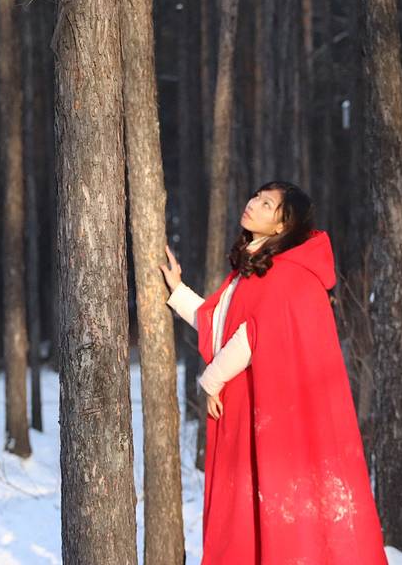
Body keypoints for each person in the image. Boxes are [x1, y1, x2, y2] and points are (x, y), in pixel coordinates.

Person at [160, 181, 388, 565]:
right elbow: (222, 327)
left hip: (270, 416)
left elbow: (250, 337)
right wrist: (178, 290)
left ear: (283, 225)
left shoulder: (285, 273)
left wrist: (212, 380)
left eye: (267, 204)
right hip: (252, 410)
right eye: (256, 197)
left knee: (274, 511)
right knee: (251, 515)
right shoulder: (258, 268)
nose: (253, 204)